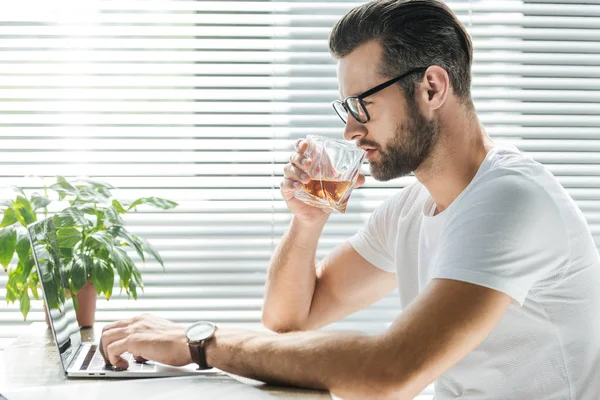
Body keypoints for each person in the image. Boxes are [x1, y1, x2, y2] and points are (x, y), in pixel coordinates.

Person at [99, 0, 600, 398]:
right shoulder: (413, 207)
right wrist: (307, 221)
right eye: (345, 107)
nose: (350, 129)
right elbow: (288, 321)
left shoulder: (510, 201)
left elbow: (389, 374)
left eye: (363, 104)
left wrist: (200, 343)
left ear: (431, 87)